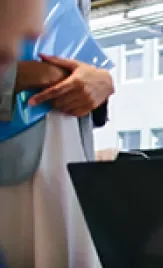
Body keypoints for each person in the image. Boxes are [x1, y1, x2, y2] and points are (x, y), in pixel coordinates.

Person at [0, 0, 115, 266]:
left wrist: (102, 83)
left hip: (70, 153)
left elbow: (79, 54)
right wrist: (43, 75)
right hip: (12, 156)